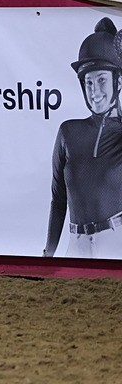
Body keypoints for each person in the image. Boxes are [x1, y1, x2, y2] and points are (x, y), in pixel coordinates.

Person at [43, 17, 122, 258]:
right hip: (75, 245)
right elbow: (58, 200)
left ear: (118, 82)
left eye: (101, 80)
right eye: (88, 82)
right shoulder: (68, 132)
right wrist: (48, 254)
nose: (94, 91)